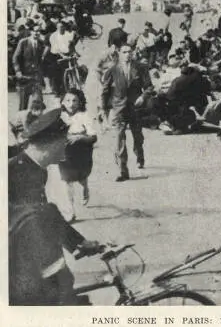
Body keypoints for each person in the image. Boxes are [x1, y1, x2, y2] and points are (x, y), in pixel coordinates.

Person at [9, 108, 103, 305]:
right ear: (50, 144)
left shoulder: (34, 168)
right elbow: (33, 219)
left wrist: (77, 242)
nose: (66, 147)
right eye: (64, 141)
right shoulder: (16, 171)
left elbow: (45, 214)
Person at [100, 44, 154, 181]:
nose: (127, 54)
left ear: (133, 53)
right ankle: (122, 171)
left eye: (130, 51)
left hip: (135, 107)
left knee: (137, 136)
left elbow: (149, 87)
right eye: (124, 52)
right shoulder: (112, 70)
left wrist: (143, 97)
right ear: (119, 53)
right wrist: (104, 110)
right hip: (119, 108)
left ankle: (139, 155)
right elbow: (105, 91)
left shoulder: (140, 68)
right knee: (119, 138)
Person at [56, 89, 98, 221]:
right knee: (66, 180)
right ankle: (70, 212)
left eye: (74, 100)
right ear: (62, 102)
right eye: (68, 100)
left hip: (81, 152)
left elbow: (93, 137)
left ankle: (85, 188)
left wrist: (80, 137)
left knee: (80, 177)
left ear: (80, 102)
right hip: (65, 152)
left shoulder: (84, 116)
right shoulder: (59, 116)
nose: (71, 104)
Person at [13, 21, 47, 110]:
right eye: (35, 31)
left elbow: (41, 60)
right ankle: (21, 122)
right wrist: (18, 71)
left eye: (39, 31)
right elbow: (15, 58)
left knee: (38, 102)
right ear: (31, 32)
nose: (37, 33)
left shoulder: (41, 43)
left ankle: (36, 122)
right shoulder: (23, 42)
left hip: (36, 77)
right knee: (23, 103)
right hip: (25, 76)